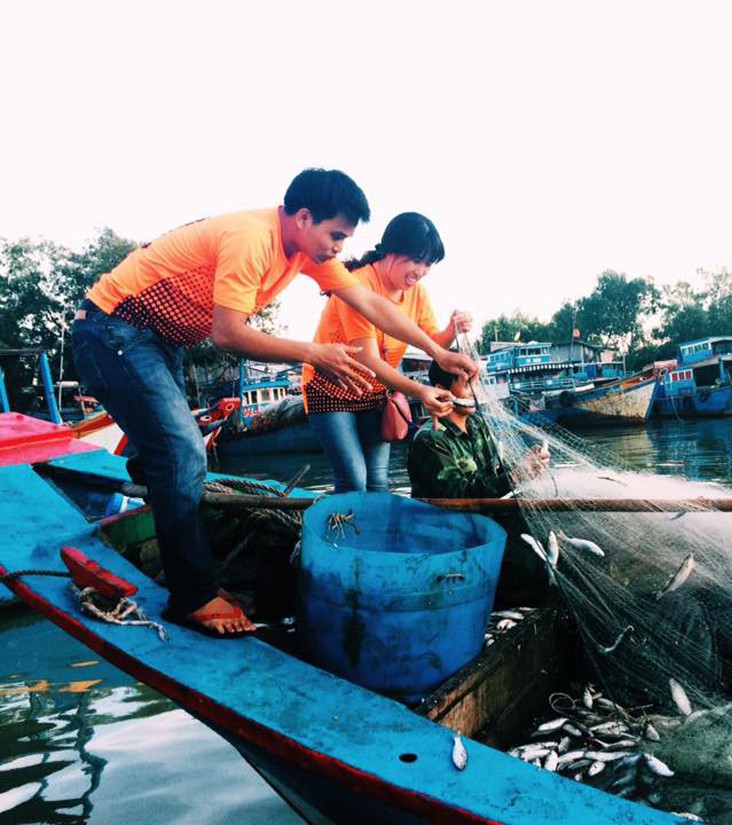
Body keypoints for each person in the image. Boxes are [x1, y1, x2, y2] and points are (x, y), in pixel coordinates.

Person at [71, 169, 477, 637]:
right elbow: (228, 335)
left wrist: (439, 353)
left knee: (171, 456)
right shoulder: (252, 240)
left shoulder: (305, 250)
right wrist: (312, 353)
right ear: (303, 217)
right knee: (184, 453)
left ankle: (161, 482)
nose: (339, 247)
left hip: (159, 340)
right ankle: (192, 595)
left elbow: (373, 305)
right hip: (113, 331)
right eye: (337, 235)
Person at [303, 212, 473, 492]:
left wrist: (452, 330)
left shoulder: (417, 293)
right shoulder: (357, 285)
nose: (421, 271)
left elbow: (432, 343)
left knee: (378, 480)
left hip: (375, 391)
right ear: (391, 252)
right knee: (353, 478)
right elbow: (368, 359)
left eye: (428, 264)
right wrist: (419, 391)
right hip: (331, 388)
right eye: (416, 261)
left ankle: (376, 534)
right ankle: (339, 532)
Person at [407, 355, 550, 603]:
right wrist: (516, 476)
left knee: (546, 535)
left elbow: (492, 476)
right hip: (451, 532)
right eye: (466, 384)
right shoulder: (430, 439)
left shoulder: (477, 425)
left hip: (487, 518)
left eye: (476, 382)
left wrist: (527, 465)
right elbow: (459, 496)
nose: (474, 391)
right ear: (441, 390)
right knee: (527, 563)